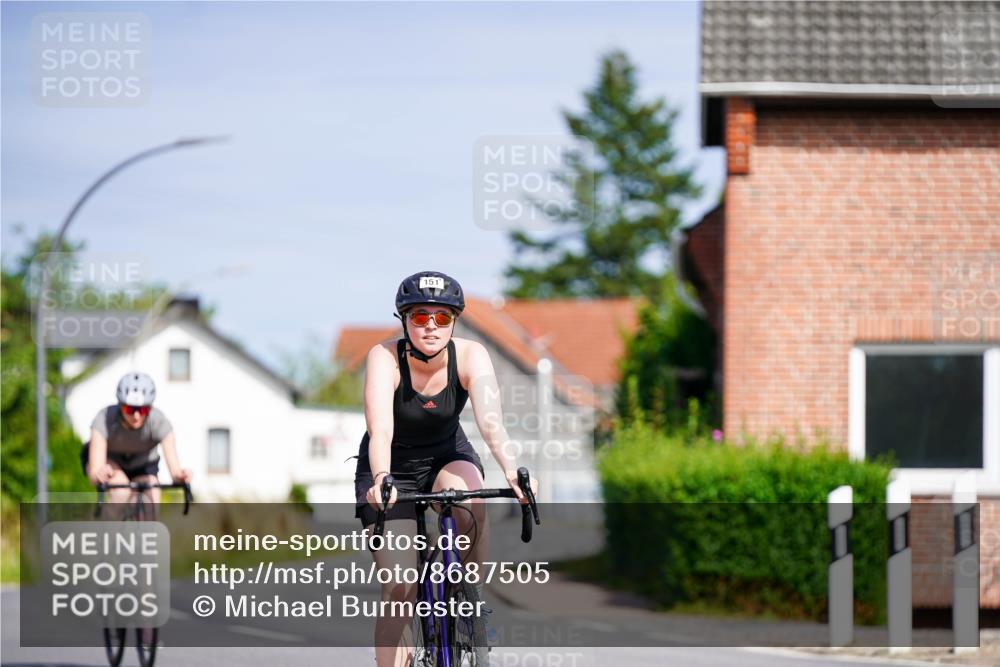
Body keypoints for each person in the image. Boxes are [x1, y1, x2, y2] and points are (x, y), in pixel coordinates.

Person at [355, 270, 537, 667]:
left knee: (471, 502)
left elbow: (491, 422)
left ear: (455, 320)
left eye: (443, 317)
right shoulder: (384, 357)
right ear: (404, 319)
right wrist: (383, 479)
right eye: (420, 316)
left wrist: (512, 471)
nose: (432, 327)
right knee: (400, 587)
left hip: (445, 454)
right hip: (389, 467)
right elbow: (380, 430)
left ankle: (470, 601)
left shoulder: (472, 355)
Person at [82, 372, 191, 515]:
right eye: (130, 409)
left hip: (143, 465)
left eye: (143, 409)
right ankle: (107, 534)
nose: (136, 415)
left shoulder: (159, 422)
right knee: (120, 491)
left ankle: (147, 534)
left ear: (150, 408)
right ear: (120, 406)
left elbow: (175, 471)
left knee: (152, 495)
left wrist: (181, 476)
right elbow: (95, 471)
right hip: (111, 463)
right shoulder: (103, 420)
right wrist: (99, 475)